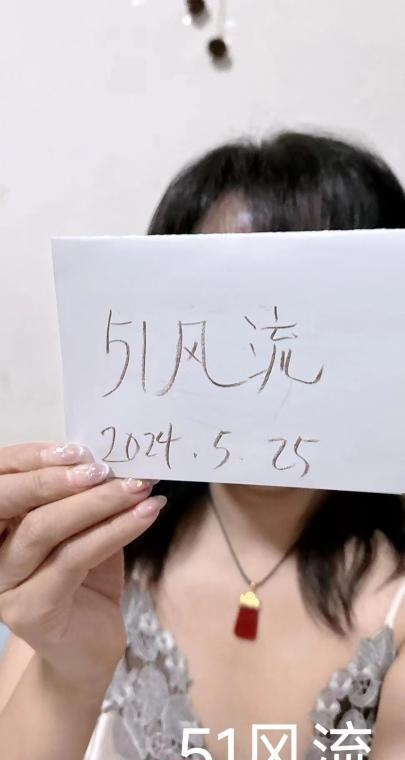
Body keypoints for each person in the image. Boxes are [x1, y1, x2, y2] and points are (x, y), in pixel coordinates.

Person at [1, 131, 405, 760]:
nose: (262, 361)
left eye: (311, 310)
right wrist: (69, 673)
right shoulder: (90, 567)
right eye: (217, 308)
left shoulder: (394, 604)